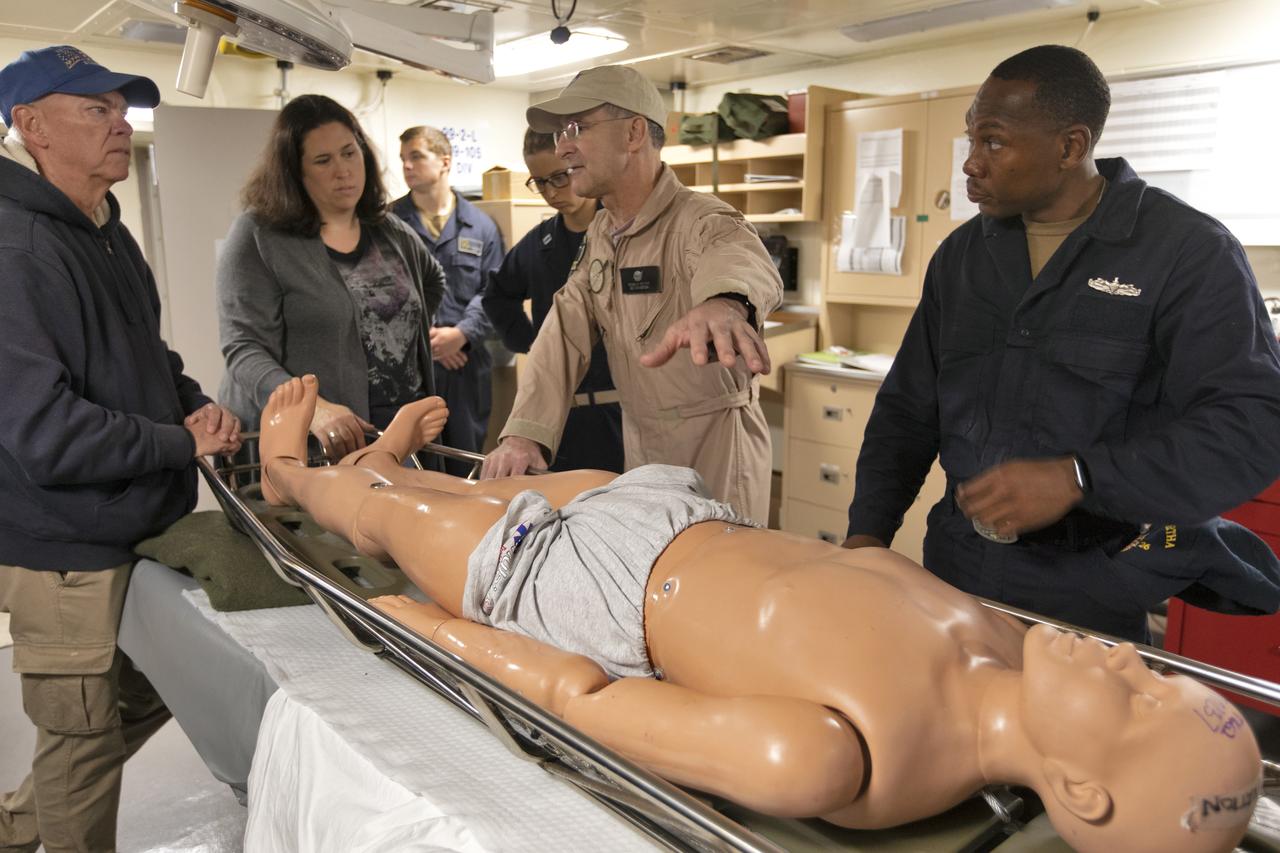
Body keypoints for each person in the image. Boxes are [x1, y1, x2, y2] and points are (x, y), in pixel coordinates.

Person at [257, 375, 1261, 853]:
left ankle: (297, 476)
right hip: (674, 513)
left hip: (591, 595)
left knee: (390, 524)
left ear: (1080, 793)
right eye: (1156, 674)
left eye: (1139, 702)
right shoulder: (1003, 637)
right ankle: (383, 459)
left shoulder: (837, 758)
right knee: (461, 492)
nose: (1137, 666)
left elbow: (588, 697)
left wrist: (441, 634)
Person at [844, 45, 1280, 641]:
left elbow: (1252, 425)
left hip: (1091, 584)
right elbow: (908, 409)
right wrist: (866, 536)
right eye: (971, 140)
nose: (971, 163)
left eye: (993, 143)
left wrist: (1081, 477)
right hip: (956, 569)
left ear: (1070, 147)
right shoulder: (964, 257)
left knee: (1070, 735)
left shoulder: (1186, 253)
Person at [0, 46, 242, 852]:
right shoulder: (15, 252)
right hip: (67, 547)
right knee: (80, 747)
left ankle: (12, 824)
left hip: (134, 528)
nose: (119, 123)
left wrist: (194, 406)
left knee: (149, 695)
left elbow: (148, 356)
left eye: (120, 107)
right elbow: (45, 432)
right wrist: (177, 444)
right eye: (93, 110)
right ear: (31, 127)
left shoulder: (105, 229)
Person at [480, 65, 784, 525]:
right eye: (562, 132)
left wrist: (724, 302)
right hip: (642, 448)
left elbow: (736, 257)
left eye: (577, 128)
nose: (563, 147)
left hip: (713, 452)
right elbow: (563, 332)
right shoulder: (605, 230)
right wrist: (525, 434)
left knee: (714, 587)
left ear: (634, 133)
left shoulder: (699, 219)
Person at [217, 95, 445, 459]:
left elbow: (432, 282)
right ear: (296, 172)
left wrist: (391, 330)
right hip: (316, 442)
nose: (343, 171)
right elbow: (244, 349)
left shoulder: (389, 229)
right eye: (323, 161)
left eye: (349, 153)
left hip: (404, 436)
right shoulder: (259, 235)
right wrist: (312, 408)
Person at [482, 128, 623, 473]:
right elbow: (497, 295)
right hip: (560, 414)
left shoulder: (625, 234)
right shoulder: (539, 242)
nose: (551, 192)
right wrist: (533, 344)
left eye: (559, 177)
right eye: (540, 182)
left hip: (622, 408)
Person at [392, 125, 504, 472]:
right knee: (411, 467)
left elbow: (494, 292)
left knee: (466, 467)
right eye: (403, 159)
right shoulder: (388, 223)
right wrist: (430, 340)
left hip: (465, 367)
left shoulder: (481, 226)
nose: (407, 166)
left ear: (444, 162)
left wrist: (461, 335)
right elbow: (381, 293)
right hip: (408, 366)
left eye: (416, 157)